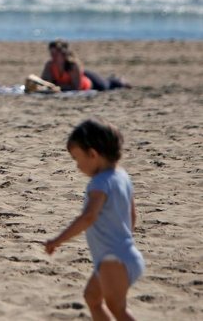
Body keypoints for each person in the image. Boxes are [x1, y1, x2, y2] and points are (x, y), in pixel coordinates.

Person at [45, 119, 144, 321]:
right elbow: (132, 215)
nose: (77, 166)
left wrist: (58, 240)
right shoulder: (122, 176)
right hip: (126, 254)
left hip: (112, 259)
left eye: (77, 159)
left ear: (92, 154)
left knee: (118, 309)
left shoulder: (100, 183)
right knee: (92, 298)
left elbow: (89, 216)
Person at [40, 40, 131, 92]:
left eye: (56, 53)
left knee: (106, 85)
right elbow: (43, 82)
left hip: (88, 84)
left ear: (63, 54)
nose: (53, 56)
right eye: (51, 53)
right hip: (81, 76)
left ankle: (119, 80)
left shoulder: (72, 65)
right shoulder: (50, 65)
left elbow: (76, 87)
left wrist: (57, 87)